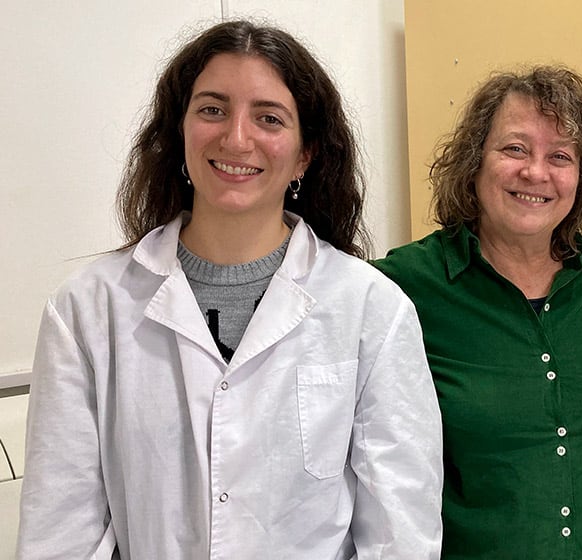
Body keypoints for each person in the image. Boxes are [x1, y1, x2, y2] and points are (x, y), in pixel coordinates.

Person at [17, 20, 443, 559]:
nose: (236, 138)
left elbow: (400, 535)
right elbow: (60, 532)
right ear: (180, 130)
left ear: (306, 153)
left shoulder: (371, 310)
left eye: (268, 118)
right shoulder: (87, 310)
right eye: (212, 109)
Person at [373, 65, 582, 559]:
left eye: (559, 156)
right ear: (474, 163)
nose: (536, 173)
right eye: (515, 148)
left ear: (581, 178)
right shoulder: (404, 284)